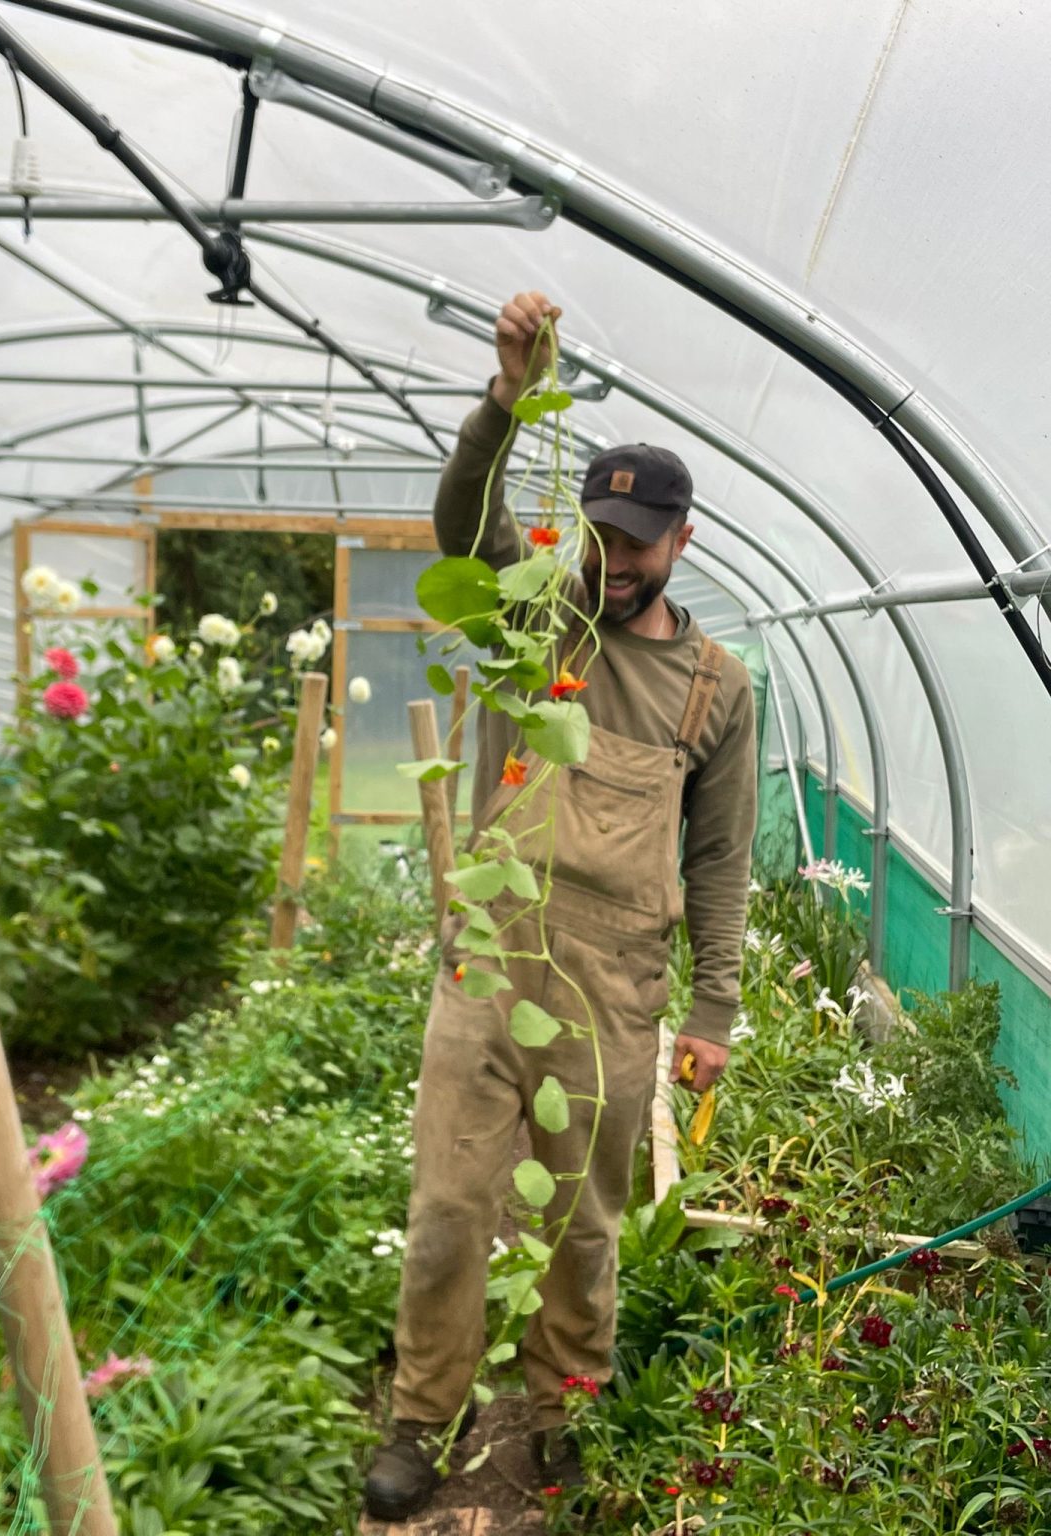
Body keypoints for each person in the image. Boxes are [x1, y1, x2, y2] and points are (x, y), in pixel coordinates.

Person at [364, 292, 758, 1522]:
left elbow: (721, 859)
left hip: (614, 983)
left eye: (638, 544)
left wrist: (712, 1011)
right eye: (600, 537)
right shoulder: (542, 612)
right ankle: (423, 1417)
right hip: (492, 957)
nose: (615, 562)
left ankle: (561, 1413)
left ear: (682, 539)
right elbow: (459, 529)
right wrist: (505, 396)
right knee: (449, 1206)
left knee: (584, 1223)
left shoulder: (714, 687)